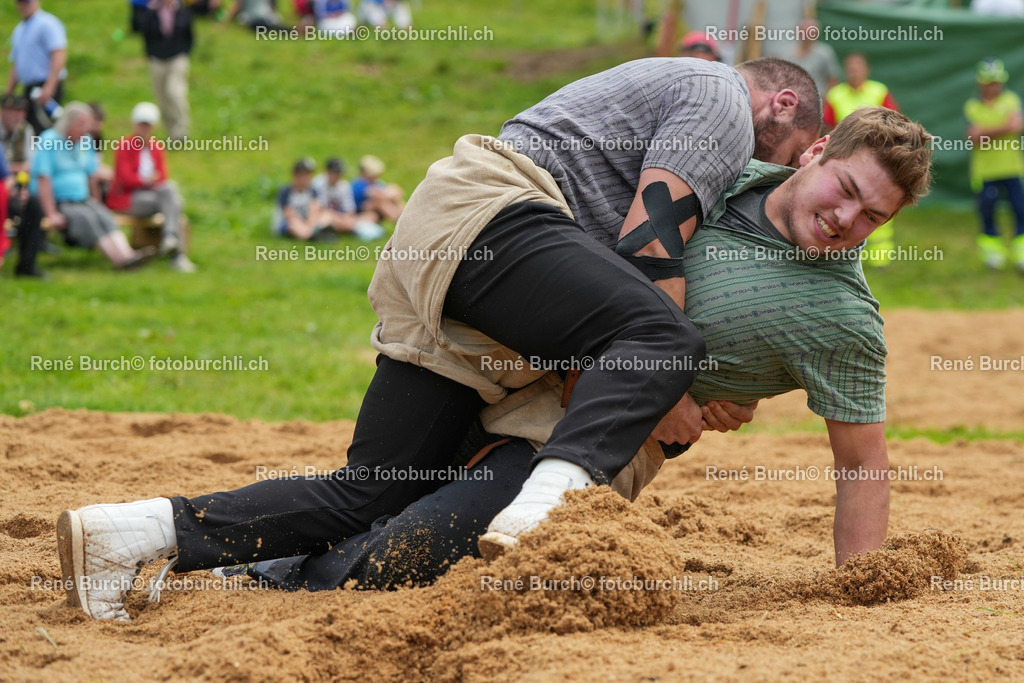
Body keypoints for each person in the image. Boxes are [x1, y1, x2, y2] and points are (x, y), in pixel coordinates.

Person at [55, 57, 824, 621]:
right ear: (781, 103)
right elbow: (650, 247)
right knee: (664, 330)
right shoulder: (722, 98)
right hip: (497, 219)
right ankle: (546, 497)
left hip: (469, 280)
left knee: (371, 488)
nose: (763, 170)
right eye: (782, 156)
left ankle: (131, 532)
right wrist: (664, 386)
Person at [222, 106, 933, 591]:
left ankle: (279, 578)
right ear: (814, 153)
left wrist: (858, 582)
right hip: (517, 360)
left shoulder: (843, 318)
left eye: (872, 216)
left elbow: (862, 458)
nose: (845, 219)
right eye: (844, 189)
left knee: (415, 551)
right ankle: (220, 546)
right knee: (373, 485)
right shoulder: (718, 176)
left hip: (605, 436)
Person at [30, 102, 155, 270]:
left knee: (104, 216)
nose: (85, 129)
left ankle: (128, 255)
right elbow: (43, 178)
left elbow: (91, 176)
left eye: (87, 124)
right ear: (68, 123)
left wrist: (95, 201)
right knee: (86, 219)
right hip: (59, 200)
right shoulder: (49, 140)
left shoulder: (86, 141)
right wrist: (51, 213)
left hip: (82, 198)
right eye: (81, 124)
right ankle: (119, 260)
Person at [824, 53, 899, 268]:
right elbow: (828, 126)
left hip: (877, 163)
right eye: (850, 67)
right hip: (845, 162)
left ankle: (880, 258)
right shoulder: (835, 95)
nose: (854, 71)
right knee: (845, 208)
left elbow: (895, 124)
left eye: (858, 67)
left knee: (877, 204)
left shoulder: (879, 91)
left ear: (867, 70)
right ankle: (847, 255)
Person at [106, 102, 196, 273]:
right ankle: (177, 255)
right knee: (174, 203)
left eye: (147, 124)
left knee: (170, 190)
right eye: (141, 123)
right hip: (128, 198)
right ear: (135, 123)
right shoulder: (124, 145)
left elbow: (162, 176)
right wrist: (145, 181)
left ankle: (170, 239)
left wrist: (151, 181)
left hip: (152, 196)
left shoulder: (156, 147)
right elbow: (125, 179)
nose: (144, 128)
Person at [965, 58, 1024, 271]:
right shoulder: (972, 106)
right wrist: (1003, 126)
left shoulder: (1011, 100)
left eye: (996, 82)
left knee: (1020, 210)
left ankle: (1021, 255)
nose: (994, 86)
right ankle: (993, 255)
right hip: (985, 171)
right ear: (981, 83)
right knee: (987, 211)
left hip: (1012, 168)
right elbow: (973, 136)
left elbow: (1016, 125)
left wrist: (986, 130)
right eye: (989, 82)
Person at [0, 93, 46, 278]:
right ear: (3, 112)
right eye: (13, 112)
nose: (17, 116)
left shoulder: (25, 131)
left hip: (13, 186)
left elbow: (30, 167)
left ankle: (26, 266)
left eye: (21, 112)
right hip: (4, 186)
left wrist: (22, 190)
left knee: (34, 206)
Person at [135, 0, 194, 141]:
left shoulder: (183, 11)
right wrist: (151, 54)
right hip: (157, 59)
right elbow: (146, 35)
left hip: (177, 57)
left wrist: (184, 52)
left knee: (174, 92)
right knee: (161, 96)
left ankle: (181, 130)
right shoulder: (151, 12)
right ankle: (171, 133)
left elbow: (190, 36)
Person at [4, 0, 67, 133]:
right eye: (21, 3)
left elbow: (58, 54)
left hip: (46, 86)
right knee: (29, 129)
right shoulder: (19, 29)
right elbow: (17, 63)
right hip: (29, 88)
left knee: (44, 129)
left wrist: (50, 86)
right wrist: (8, 94)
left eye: (27, 2)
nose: (24, 5)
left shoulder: (48, 23)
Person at [311, 157, 385, 240]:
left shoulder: (343, 186)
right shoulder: (318, 183)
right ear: (328, 172)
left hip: (340, 217)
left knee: (371, 216)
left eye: (339, 173)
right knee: (327, 216)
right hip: (322, 216)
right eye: (335, 173)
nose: (337, 176)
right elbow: (319, 207)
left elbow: (350, 211)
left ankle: (334, 230)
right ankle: (320, 231)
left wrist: (344, 219)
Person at [771, 18, 840, 98]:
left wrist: (827, 100)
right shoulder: (785, 52)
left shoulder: (825, 53)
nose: (807, 35)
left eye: (811, 32)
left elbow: (833, 79)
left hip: (817, 100)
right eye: (804, 32)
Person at [273, 158, 329, 240]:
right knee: (293, 223)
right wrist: (305, 224)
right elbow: (288, 214)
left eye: (308, 174)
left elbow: (315, 209)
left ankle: (309, 234)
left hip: (306, 222)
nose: (307, 178)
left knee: (326, 215)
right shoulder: (286, 191)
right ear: (296, 175)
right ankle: (311, 235)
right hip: (288, 223)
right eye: (304, 174)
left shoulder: (312, 190)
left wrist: (309, 223)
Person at [350, 155, 403, 223]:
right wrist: (389, 194)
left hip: (375, 209)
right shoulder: (358, 183)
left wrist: (392, 194)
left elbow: (394, 191)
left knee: (394, 199)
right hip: (360, 212)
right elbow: (375, 194)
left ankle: (404, 216)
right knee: (378, 202)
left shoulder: (376, 183)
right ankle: (399, 219)